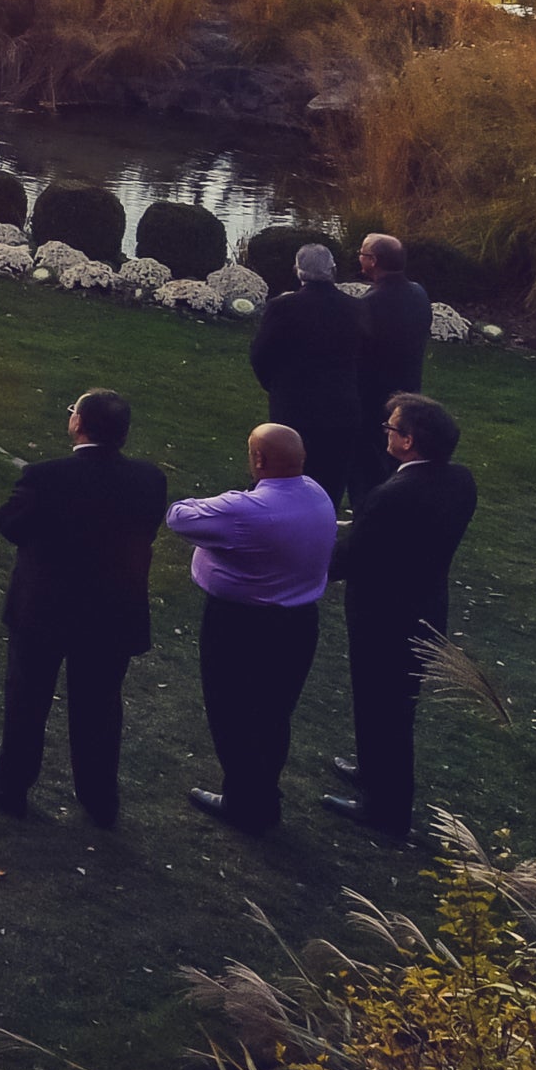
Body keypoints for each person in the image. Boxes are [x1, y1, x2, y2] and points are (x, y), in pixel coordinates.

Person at [0, 389, 174, 828]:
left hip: (45, 609)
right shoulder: (150, 480)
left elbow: (10, 523)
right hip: (112, 612)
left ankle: (11, 787)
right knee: (100, 706)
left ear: (79, 424)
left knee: (27, 698)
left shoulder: (46, 476)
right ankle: (100, 799)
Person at [163, 422, 337, 832]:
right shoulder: (316, 493)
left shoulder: (244, 510)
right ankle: (263, 796)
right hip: (298, 623)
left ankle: (245, 804)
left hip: (241, 626)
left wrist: (231, 498)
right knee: (274, 714)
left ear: (258, 459)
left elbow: (178, 516)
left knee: (233, 714)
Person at [325, 396, 478, 846]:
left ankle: (385, 810)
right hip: (425, 607)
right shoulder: (459, 482)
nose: (385, 432)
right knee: (393, 706)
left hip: (383, 617)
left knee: (383, 709)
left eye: (391, 428)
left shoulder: (392, 495)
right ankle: (371, 773)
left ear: (409, 442)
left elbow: (354, 557)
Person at [252, 241, 374, 509]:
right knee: (332, 478)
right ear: (332, 269)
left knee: (287, 473)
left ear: (298, 271)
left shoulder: (282, 307)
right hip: (341, 405)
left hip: (293, 405)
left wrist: (274, 386)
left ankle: (282, 528)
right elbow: (367, 358)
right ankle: (322, 530)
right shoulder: (357, 308)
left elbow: (260, 354)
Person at [351, 233, 433, 420]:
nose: (359, 257)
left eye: (362, 253)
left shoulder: (369, 304)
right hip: (410, 389)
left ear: (373, 261)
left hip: (374, 397)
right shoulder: (418, 293)